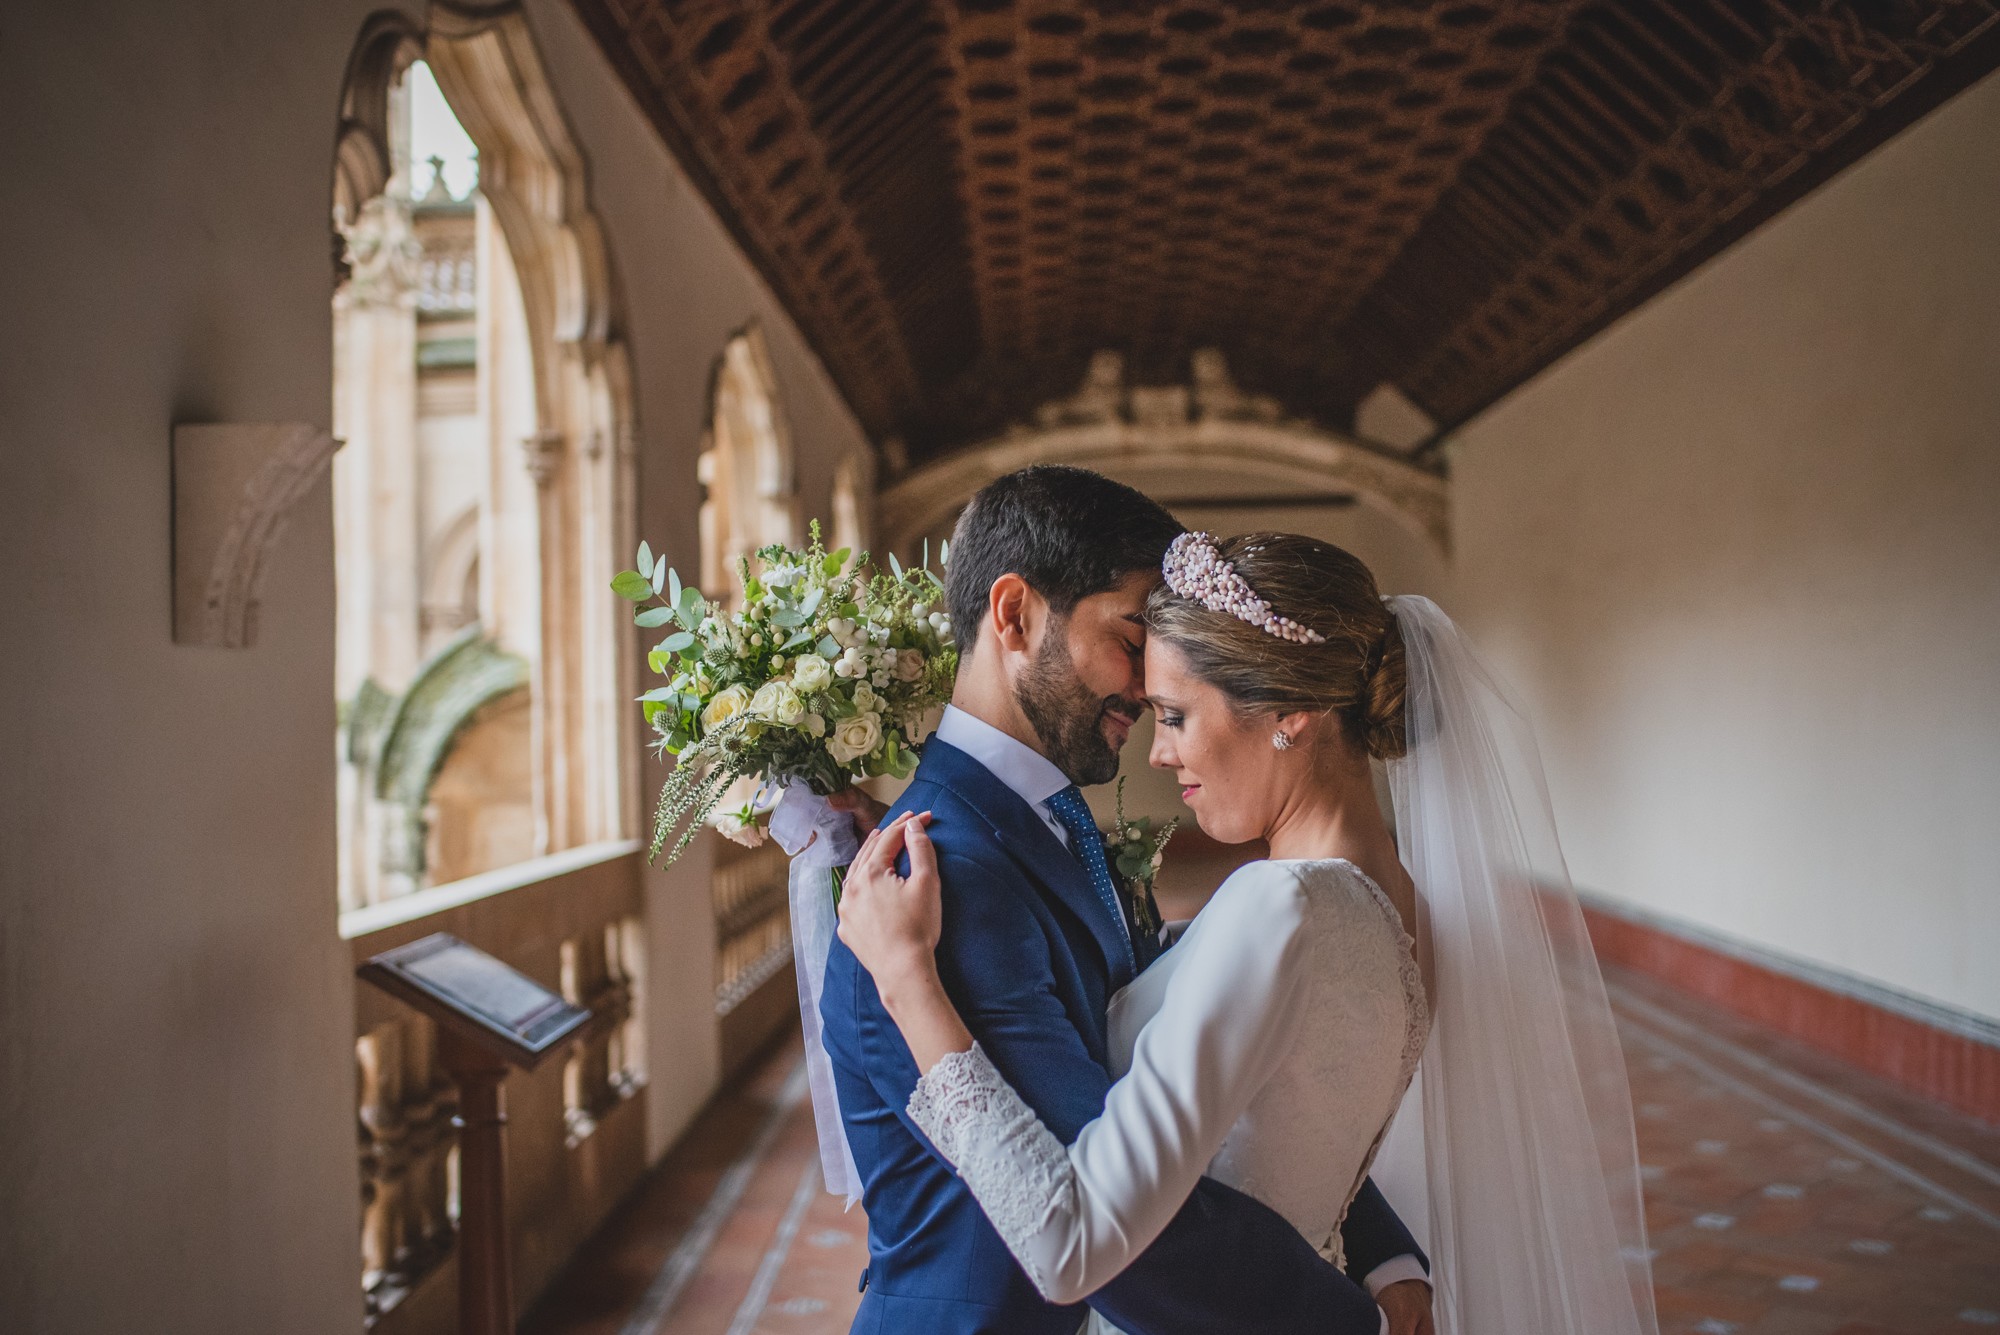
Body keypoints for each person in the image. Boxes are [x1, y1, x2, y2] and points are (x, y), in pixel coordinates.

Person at [838, 528, 1663, 1335]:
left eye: (1177, 715)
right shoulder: (1405, 907)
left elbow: (1070, 1242)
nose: (1158, 754)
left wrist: (909, 981)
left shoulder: (1281, 909)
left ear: (1290, 712)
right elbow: (1288, 1122)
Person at [817, 470, 1433, 1335]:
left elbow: (1232, 1081)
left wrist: (1376, 1244)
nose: (1149, 687)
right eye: (1133, 634)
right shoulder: (947, 874)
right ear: (1015, 616)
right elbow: (1120, 1226)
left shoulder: (1048, 826)